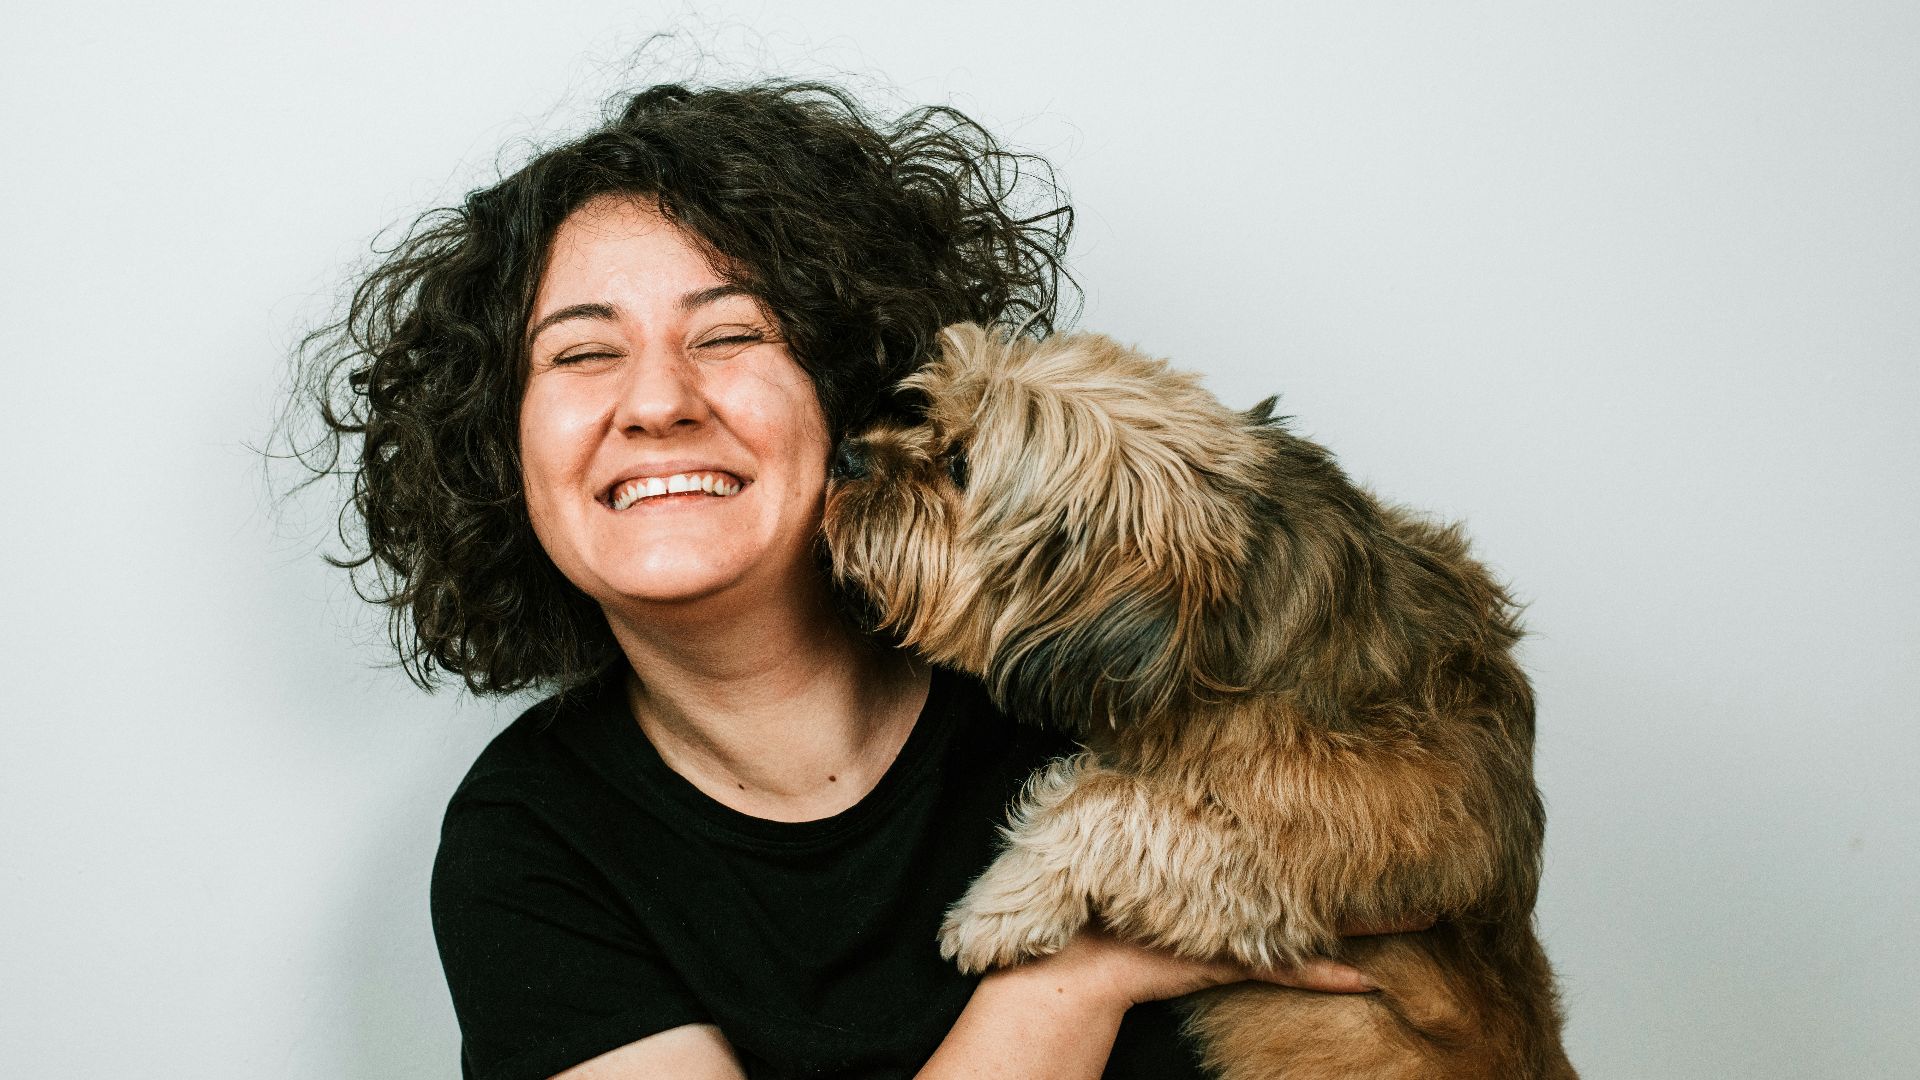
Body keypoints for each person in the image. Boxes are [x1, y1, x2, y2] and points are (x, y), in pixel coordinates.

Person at [297, 79, 1395, 1080]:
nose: (658, 402)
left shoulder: (1104, 652)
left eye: (729, 334)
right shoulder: (529, 843)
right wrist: (1074, 978)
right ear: (499, 448)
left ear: (845, 387)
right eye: (583, 354)